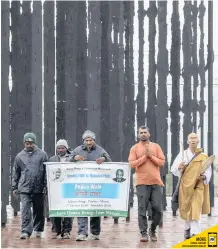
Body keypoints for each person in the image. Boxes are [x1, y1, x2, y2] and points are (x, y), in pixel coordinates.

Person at [71, 130, 111, 241]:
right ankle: (82, 233)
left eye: (91, 140)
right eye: (86, 140)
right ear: (83, 141)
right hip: (81, 185)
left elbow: (110, 161)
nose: (88, 143)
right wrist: (74, 158)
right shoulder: (77, 150)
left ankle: (95, 233)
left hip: (96, 185)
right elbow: (68, 160)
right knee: (82, 208)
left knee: (94, 209)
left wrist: (104, 159)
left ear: (94, 140)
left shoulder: (100, 150)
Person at [171, 133, 211, 239]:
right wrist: (179, 167)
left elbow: (208, 171)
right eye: (191, 138)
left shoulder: (204, 156)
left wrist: (204, 177)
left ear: (198, 141)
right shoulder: (183, 154)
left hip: (198, 186)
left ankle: (195, 233)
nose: (193, 140)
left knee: (195, 207)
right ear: (187, 141)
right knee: (186, 208)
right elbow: (173, 169)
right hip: (185, 186)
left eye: (195, 138)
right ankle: (187, 228)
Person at [128, 126, 165, 242]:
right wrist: (144, 157)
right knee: (142, 209)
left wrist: (151, 156)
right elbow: (132, 164)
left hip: (156, 182)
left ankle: (152, 230)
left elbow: (162, 162)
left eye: (145, 132)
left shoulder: (156, 146)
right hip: (142, 183)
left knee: (158, 209)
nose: (143, 134)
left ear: (149, 134)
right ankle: (143, 233)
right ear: (138, 135)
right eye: (141, 133)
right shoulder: (134, 148)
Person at [11, 133, 48, 239]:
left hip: (39, 188)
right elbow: (16, 173)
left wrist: (45, 185)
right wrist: (14, 187)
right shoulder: (19, 156)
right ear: (24, 143)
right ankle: (26, 231)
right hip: (24, 188)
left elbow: (46, 171)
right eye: (27, 143)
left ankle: (38, 230)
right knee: (25, 210)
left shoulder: (42, 155)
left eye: (31, 143)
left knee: (39, 210)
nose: (29, 145)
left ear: (34, 143)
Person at [49, 139, 73, 239]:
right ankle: (58, 230)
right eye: (58, 148)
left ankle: (67, 230)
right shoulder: (52, 159)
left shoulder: (72, 158)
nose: (60, 150)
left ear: (66, 148)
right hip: (56, 189)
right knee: (56, 209)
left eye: (63, 148)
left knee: (68, 209)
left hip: (68, 187)